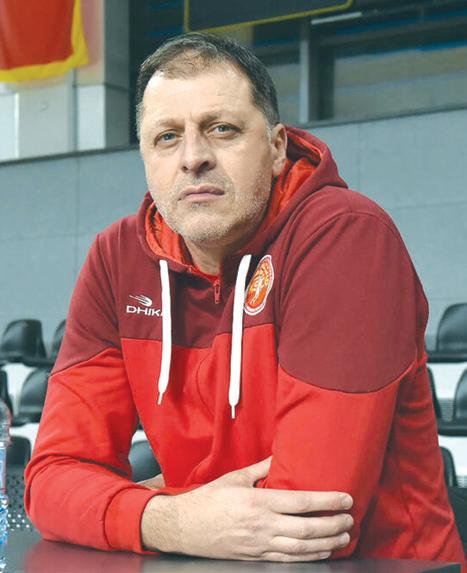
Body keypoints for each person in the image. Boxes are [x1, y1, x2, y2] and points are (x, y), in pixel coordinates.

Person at [24, 33, 464, 564]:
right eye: (167, 137)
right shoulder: (117, 259)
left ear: (276, 148)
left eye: (222, 129)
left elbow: (310, 520)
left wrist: (126, 505)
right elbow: (50, 482)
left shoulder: (345, 236)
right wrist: (172, 520)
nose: (193, 158)